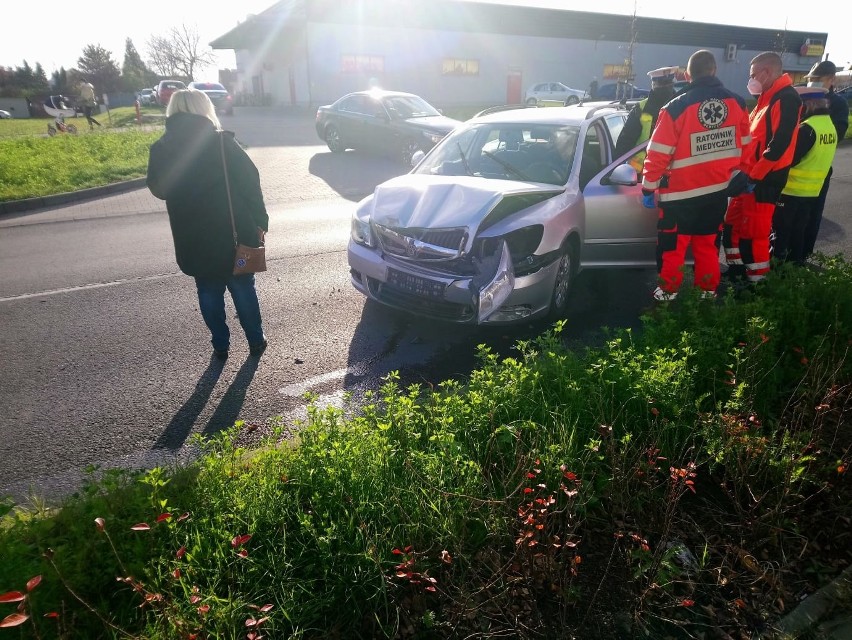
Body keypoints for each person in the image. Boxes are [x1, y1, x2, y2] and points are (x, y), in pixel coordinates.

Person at [146, 88, 269, 360]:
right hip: (234, 233)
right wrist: (261, 220)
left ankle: (221, 345)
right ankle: (255, 340)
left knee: (207, 290)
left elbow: (159, 189)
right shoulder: (221, 144)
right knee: (242, 286)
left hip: (192, 238)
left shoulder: (161, 148)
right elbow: (250, 181)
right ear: (204, 109)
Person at [641, 50, 750, 300]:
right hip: (717, 191)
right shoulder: (737, 103)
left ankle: (667, 295)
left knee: (673, 247)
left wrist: (648, 187)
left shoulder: (676, 107)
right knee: (707, 245)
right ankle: (707, 294)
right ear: (714, 71)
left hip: (679, 195)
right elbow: (746, 144)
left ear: (688, 75)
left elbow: (657, 153)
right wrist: (741, 173)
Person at [722, 51, 802, 283]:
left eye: (753, 74)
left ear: (766, 72)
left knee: (753, 236)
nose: (751, 79)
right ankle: (737, 270)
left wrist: (753, 177)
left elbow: (779, 145)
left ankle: (757, 285)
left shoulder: (785, 98)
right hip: (748, 177)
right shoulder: (766, 99)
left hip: (764, 181)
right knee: (732, 226)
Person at [615, 66, 678, 276]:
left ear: (672, 84)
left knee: (668, 226)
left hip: (673, 177)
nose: (663, 87)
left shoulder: (681, 106)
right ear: (653, 85)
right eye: (660, 84)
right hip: (640, 177)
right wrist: (617, 171)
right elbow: (624, 142)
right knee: (643, 222)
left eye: (667, 84)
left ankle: (664, 263)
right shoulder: (642, 107)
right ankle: (643, 259)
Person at [772, 86, 838, 264]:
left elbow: (789, 159)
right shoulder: (828, 125)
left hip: (792, 190)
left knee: (781, 232)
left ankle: (779, 268)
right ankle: (796, 265)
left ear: (807, 105)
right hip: (812, 191)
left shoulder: (807, 129)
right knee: (799, 231)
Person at [800, 60, 849, 259]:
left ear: (831, 79)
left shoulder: (837, 104)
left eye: (817, 79)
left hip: (818, 169)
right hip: (796, 167)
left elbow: (835, 134)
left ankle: (804, 254)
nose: (813, 83)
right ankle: (788, 256)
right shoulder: (803, 98)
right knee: (791, 218)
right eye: (811, 79)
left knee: (812, 214)